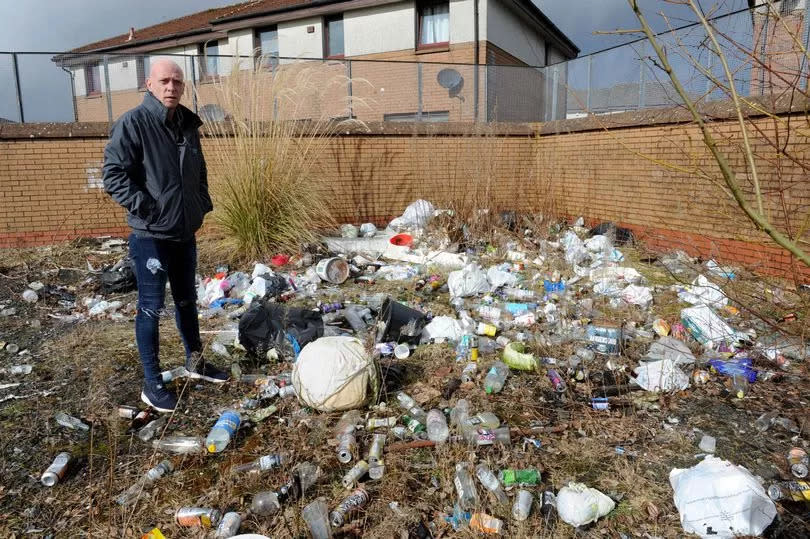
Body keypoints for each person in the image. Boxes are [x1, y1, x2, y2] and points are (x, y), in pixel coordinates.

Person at [103, 59, 228, 413]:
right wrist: (148, 209)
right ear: (149, 84)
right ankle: (151, 383)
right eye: (164, 81)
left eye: (176, 81)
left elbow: (199, 169)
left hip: (184, 231)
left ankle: (195, 361)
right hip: (151, 236)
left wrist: (201, 203)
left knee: (187, 301)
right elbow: (112, 174)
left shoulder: (188, 123)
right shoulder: (134, 123)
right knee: (151, 309)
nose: (171, 87)